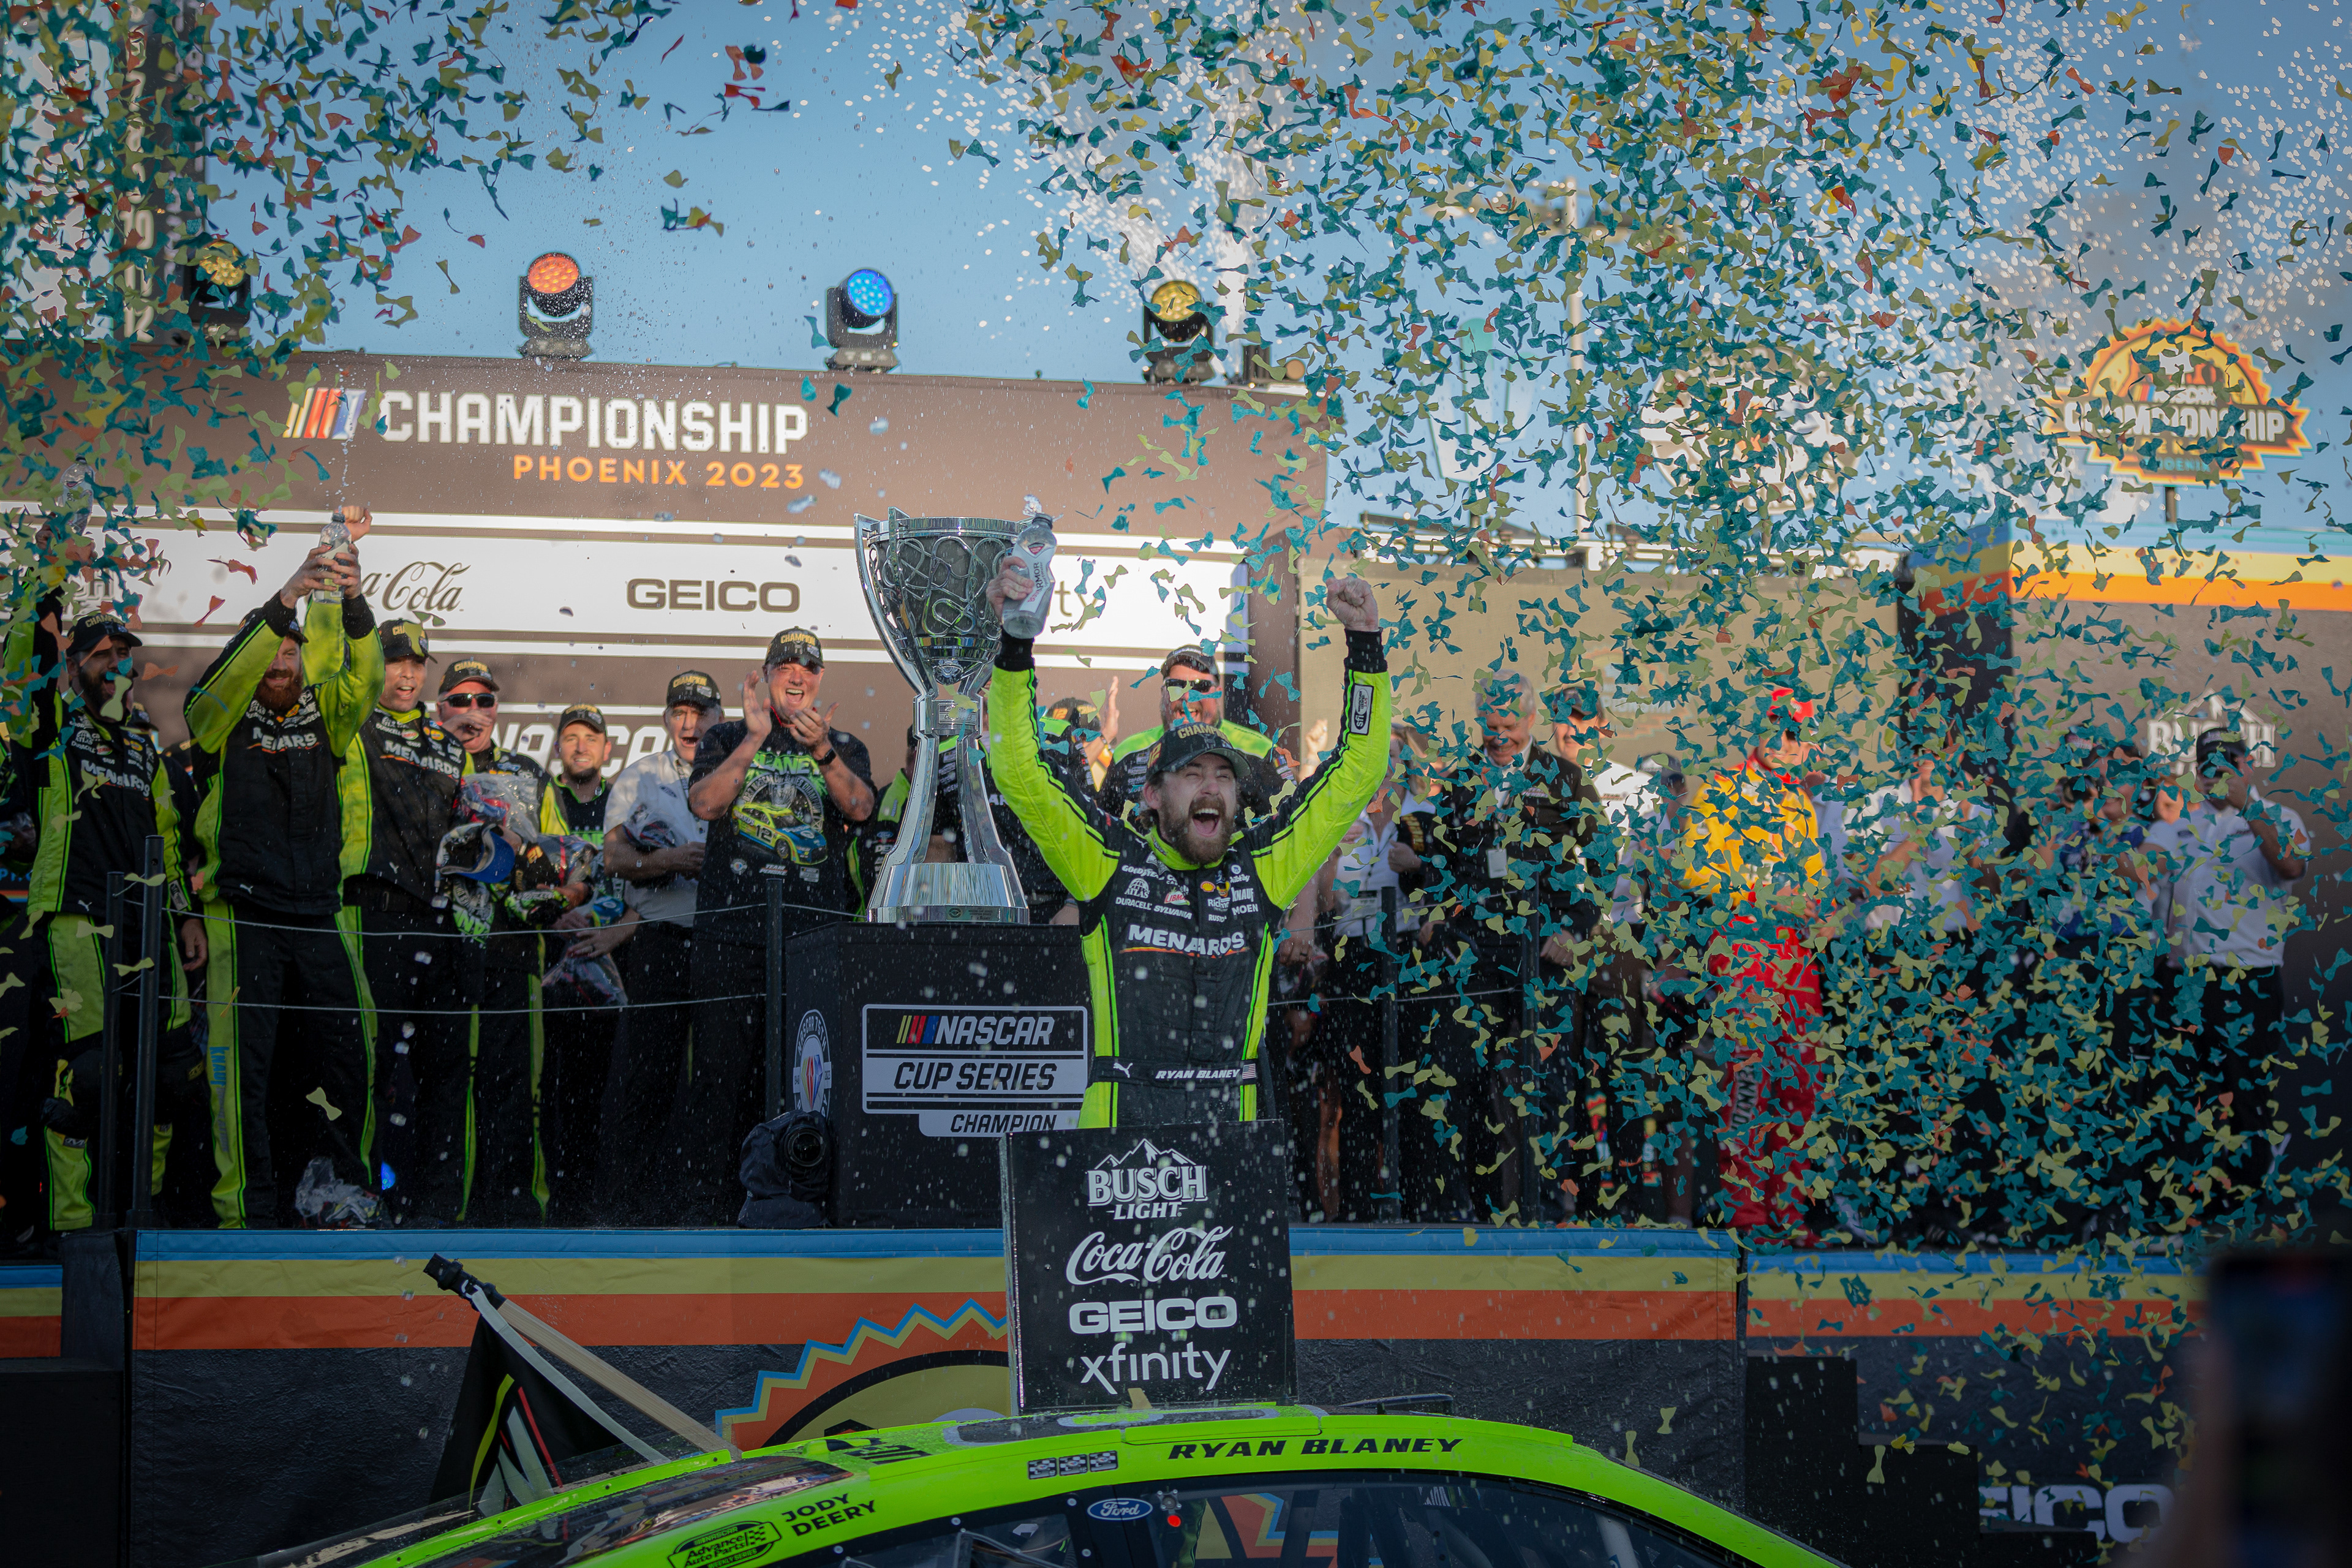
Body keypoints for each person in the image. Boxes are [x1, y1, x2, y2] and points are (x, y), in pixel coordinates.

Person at [984, 564, 1390, 1128]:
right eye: (1193, 774)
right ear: (1152, 793)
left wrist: (1365, 647)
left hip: (1229, 1148)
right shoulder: (1109, 861)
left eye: (1223, 777)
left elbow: (1356, 772)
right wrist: (1015, 644)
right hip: (1122, 1151)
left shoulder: (1262, 867)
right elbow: (1019, 769)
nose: (1211, 788)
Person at [185, 532, 384, 1228]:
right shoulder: (220, 718)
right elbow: (212, 690)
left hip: (318, 910)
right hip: (244, 911)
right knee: (242, 1065)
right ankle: (244, 1208)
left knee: (350, 1052)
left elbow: (367, 678)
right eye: (270, 651)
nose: (280, 661)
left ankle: (347, 1193)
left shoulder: (328, 715)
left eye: (292, 652)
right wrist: (289, 596)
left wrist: (352, 601)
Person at [7, 592, 209, 1234]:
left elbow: (169, 841)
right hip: (76, 919)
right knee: (88, 1075)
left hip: (150, 927)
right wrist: (44, 591)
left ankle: (142, 1214)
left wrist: (186, 916)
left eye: (124, 654)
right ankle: (72, 1224)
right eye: (100, 655)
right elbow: (24, 670)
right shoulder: (51, 734)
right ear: (73, 670)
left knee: (171, 1075)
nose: (116, 664)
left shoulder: (146, 747)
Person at [683, 627, 875, 1222]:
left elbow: (861, 807)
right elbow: (705, 804)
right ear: (766, 674)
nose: (797, 674)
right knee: (719, 1080)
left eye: (808, 667)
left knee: (807, 1085)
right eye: (786, 665)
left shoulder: (843, 744)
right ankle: (709, 1213)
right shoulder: (724, 736)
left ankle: (799, 1206)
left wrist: (822, 752)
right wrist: (755, 739)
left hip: (811, 947)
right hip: (730, 939)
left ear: (820, 679)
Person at [1414, 672, 1607, 1223]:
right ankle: (1460, 1209)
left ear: (1531, 720)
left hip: (1543, 956)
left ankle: (1543, 1205)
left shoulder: (1565, 779)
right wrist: (1434, 913)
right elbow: (1438, 862)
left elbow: (1605, 864)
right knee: (1458, 1077)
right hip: (1471, 956)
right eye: (1491, 725)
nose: (1500, 737)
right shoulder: (1459, 780)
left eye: (1510, 726)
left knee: (1545, 1085)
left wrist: (1574, 930)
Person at [1678, 682, 1831, 1235]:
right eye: (1779, 730)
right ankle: (1747, 1218)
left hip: (1796, 960)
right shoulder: (1721, 791)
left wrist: (1819, 909)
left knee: (1801, 1088)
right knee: (1748, 1087)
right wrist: (1764, 895)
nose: (1787, 742)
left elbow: (1814, 885)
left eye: (1797, 734)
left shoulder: (1800, 802)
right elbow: (1692, 871)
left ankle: (1789, 1216)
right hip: (1745, 956)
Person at [337, 618, 469, 1225]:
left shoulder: (450, 745)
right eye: (395, 662)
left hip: (440, 922)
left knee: (445, 1066)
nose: (408, 674)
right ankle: (371, 1194)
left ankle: (439, 1201)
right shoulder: (352, 726)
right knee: (377, 1064)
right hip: (375, 914)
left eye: (417, 664)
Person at [434, 657, 559, 1224]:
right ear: (440, 708)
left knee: (515, 1085)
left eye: (483, 701)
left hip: (512, 947)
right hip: (440, 948)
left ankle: (514, 1209)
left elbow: (561, 859)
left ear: (497, 710)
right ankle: (444, 1205)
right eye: (460, 700)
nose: (473, 711)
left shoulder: (529, 773)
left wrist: (539, 868)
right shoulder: (424, 763)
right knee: (442, 1079)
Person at [2170, 726, 2310, 1219]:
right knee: (2197, 1096)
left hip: (2247, 978)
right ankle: (2200, 1206)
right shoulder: (2182, 823)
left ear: (2246, 765)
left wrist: (2248, 807)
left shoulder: (2280, 817)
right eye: (2208, 764)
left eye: (2227, 762)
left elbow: (2290, 867)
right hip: (2189, 981)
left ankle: (2245, 1208)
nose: (2217, 773)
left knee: (2246, 1094)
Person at [1297, 725, 1433, 1219]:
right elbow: (1324, 902)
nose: (1382, 769)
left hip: (1410, 960)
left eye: (1391, 757)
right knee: (1356, 1089)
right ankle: (1356, 1206)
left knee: (1413, 1086)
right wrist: (1333, 856)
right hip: (1353, 960)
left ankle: (1416, 1205)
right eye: (1372, 757)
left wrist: (1418, 865)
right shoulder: (1340, 816)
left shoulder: (1427, 816)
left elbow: (1453, 885)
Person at [598, 670, 717, 1224]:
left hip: (723, 943)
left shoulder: (739, 773)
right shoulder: (639, 776)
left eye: (700, 713)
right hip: (660, 939)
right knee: (645, 1076)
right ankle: (627, 1207)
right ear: (667, 718)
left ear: (719, 717)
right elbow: (613, 859)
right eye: (679, 713)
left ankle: (706, 1204)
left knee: (717, 1079)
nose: (689, 724)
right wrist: (668, 860)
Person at [537, 703, 632, 1221]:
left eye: (590, 738)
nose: (580, 747)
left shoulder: (624, 801)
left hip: (613, 965)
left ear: (607, 749)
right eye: (571, 737)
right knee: (555, 1088)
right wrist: (552, 911)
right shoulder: (542, 799)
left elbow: (635, 879)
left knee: (608, 1086)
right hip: (552, 965)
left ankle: (603, 1200)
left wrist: (601, 916)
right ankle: (560, 1200)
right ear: (557, 748)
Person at [1095, 646, 1293, 824]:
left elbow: (1289, 827)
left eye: (1201, 686)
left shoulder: (1261, 751)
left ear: (1218, 693)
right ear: (1163, 693)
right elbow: (1103, 830)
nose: (1188, 696)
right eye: (1176, 685)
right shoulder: (1129, 752)